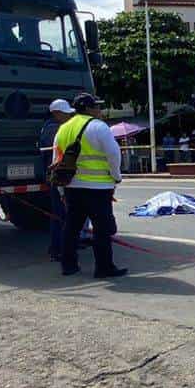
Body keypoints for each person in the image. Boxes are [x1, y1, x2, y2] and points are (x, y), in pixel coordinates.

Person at [53, 93, 126, 279]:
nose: (99, 111)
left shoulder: (62, 129)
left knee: (71, 227)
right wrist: (116, 176)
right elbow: (113, 153)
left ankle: (68, 266)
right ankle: (104, 268)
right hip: (98, 188)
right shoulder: (98, 127)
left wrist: (61, 189)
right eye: (97, 107)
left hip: (72, 188)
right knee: (102, 230)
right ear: (88, 108)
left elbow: (57, 162)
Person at [39, 98, 75, 262]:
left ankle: (62, 246)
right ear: (56, 113)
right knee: (60, 214)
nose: (68, 116)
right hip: (57, 177)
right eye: (65, 113)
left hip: (60, 176)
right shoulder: (52, 129)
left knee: (63, 214)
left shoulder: (55, 127)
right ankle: (56, 249)